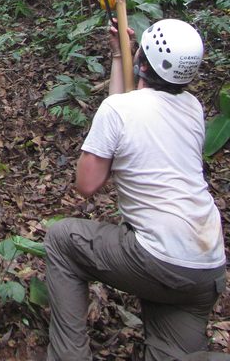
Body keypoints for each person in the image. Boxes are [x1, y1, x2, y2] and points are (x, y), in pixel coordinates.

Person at [44, 18, 226, 361]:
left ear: (142, 59)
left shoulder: (121, 110)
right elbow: (128, 114)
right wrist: (119, 57)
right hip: (207, 268)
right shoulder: (193, 108)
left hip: (158, 258)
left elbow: (88, 183)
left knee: (62, 239)